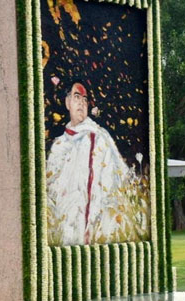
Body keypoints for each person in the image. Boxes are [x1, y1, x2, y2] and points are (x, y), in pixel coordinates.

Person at [46, 80, 148, 246]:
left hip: (93, 222)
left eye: (85, 100)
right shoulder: (59, 145)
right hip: (64, 223)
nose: (81, 103)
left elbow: (113, 178)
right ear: (67, 102)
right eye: (77, 97)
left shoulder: (98, 137)